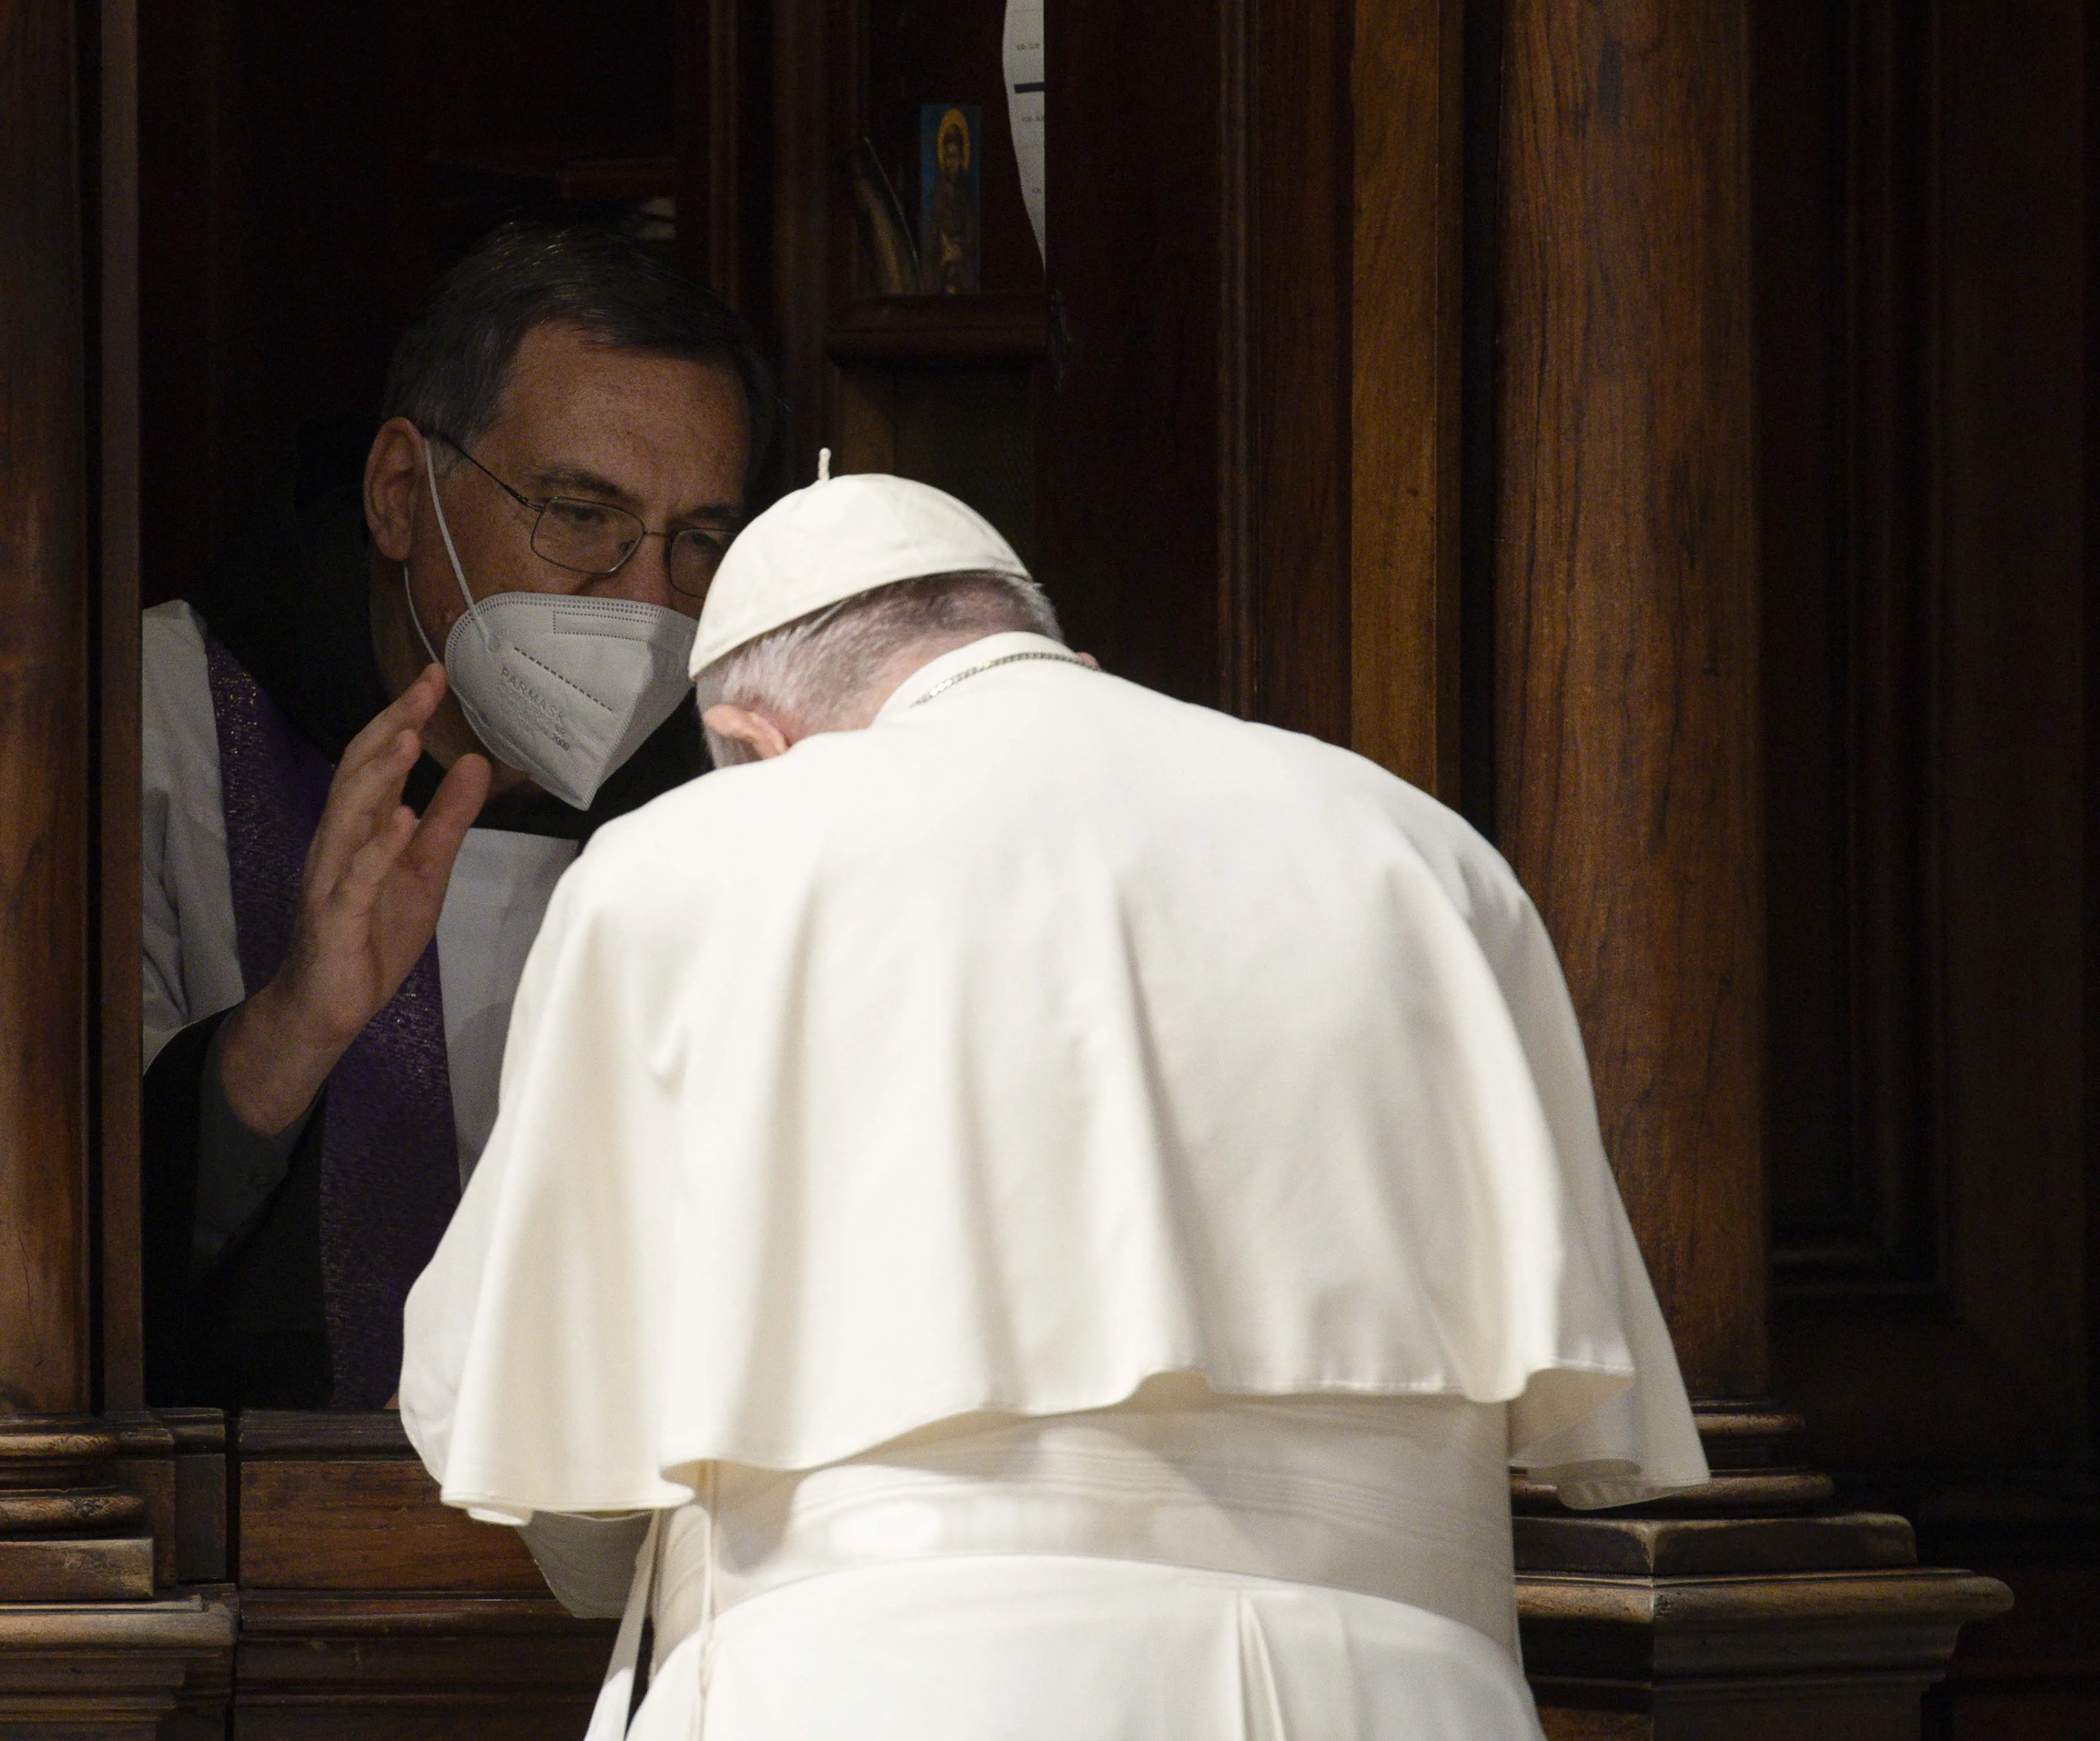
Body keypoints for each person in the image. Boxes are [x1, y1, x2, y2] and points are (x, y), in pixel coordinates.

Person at [399, 472, 1709, 1739]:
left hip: (869, 1686)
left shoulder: (675, 871)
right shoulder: (1419, 852)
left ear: (752, 740)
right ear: (1019, 635)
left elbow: (514, 1411)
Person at [141, 225, 774, 1413]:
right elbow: (45, 1253)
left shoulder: (748, 779)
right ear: (399, 493)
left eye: (696, 541)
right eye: (580, 514)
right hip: (249, 1542)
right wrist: (285, 1035)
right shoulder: (157, 720)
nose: (646, 603)